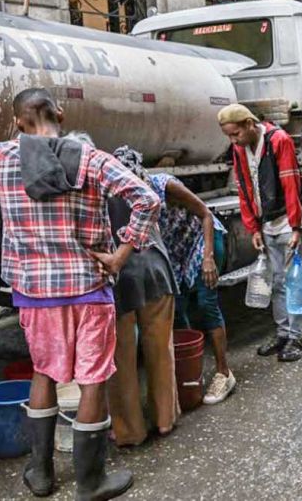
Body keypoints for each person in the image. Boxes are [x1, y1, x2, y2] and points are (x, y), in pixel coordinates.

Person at [0, 89, 157, 500]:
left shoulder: (0, 156)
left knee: (44, 372)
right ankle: (90, 482)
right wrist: (121, 255)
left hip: (34, 290)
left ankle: (40, 474)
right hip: (89, 287)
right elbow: (146, 199)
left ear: (18, 122)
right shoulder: (91, 158)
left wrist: (16, 143)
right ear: (61, 113)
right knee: (92, 379)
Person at [115, 147, 237, 405]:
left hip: (201, 240)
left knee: (206, 303)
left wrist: (208, 259)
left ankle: (224, 373)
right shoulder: (125, 198)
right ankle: (188, 372)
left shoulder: (164, 185)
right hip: (174, 252)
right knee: (176, 310)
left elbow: (205, 214)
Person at [99, 142, 180, 447]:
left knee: (120, 357)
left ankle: (129, 431)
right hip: (157, 270)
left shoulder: (98, 192)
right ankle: (165, 419)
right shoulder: (144, 187)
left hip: (121, 274)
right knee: (160, 349)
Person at [219, 104, 302, 362]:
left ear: (249, 124)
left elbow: (290, 182)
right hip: (268, 223)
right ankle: (283, 333)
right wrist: (254, 228)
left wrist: (296, 227)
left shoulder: (279, 140)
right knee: (276, 281)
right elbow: (244, 188)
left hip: (289, 221)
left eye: (236, 133)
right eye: (229, 136)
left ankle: (296, 336)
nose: (233, 140)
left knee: (291, 281)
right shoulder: (240, 149)